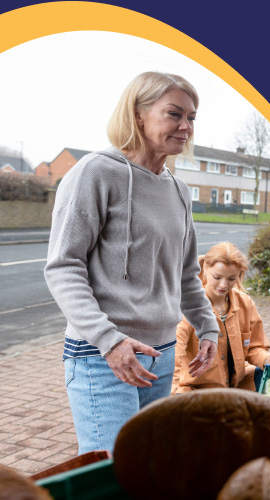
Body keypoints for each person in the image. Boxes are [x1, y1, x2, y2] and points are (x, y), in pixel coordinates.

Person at [44, 72, 219, 454]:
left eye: (192, 117)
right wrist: (110, 342)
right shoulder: (95, 173)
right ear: (138, 114)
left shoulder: (179, 189)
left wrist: (208, 329)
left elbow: (187, 275)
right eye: (174, 114)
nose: (186, 126)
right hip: (103, 356)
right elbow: (63, 266)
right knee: (110, 473)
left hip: (161, 352)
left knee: (147, 469)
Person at [172, 242, 270, 394]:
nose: (223, 285)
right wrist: (171, 397)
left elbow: (255, 347)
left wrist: (265, 359)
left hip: (239, 385)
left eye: (231, 279)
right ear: (205, 268)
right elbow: (172, 359)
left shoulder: (245, 303)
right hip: (197, 391)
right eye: (217, 277)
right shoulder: (188, 308)